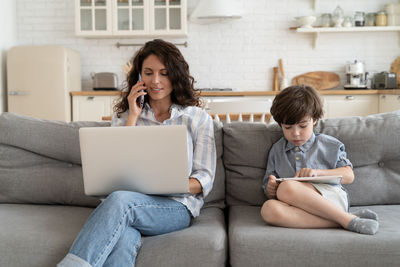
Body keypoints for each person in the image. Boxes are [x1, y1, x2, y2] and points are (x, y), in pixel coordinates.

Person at [58, 39, 216, 267]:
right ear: (139, 77)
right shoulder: (124, 118)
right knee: (123, 235)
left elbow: (204, 179)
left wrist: (168, 184)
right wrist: (133, 115)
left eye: (164, 73)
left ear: (176, 75)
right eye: (148, 73)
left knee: (121, 201)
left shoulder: (198, 119)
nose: (156, 81)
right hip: (128, 204)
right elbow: (112, 169)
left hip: (176, 206)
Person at [260, 85, 379, 235]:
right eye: (288, 127)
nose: (295, 133)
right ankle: (348, 220)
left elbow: (349, 176)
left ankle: (343, 217)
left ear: (314, 119)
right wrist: (271, 189)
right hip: (298, 208)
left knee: (287, 187)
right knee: (268, 209)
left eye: (302, 126)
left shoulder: (329, 145)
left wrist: (317, 173)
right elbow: (269, 190)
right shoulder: (277, 150)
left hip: (331, 199)